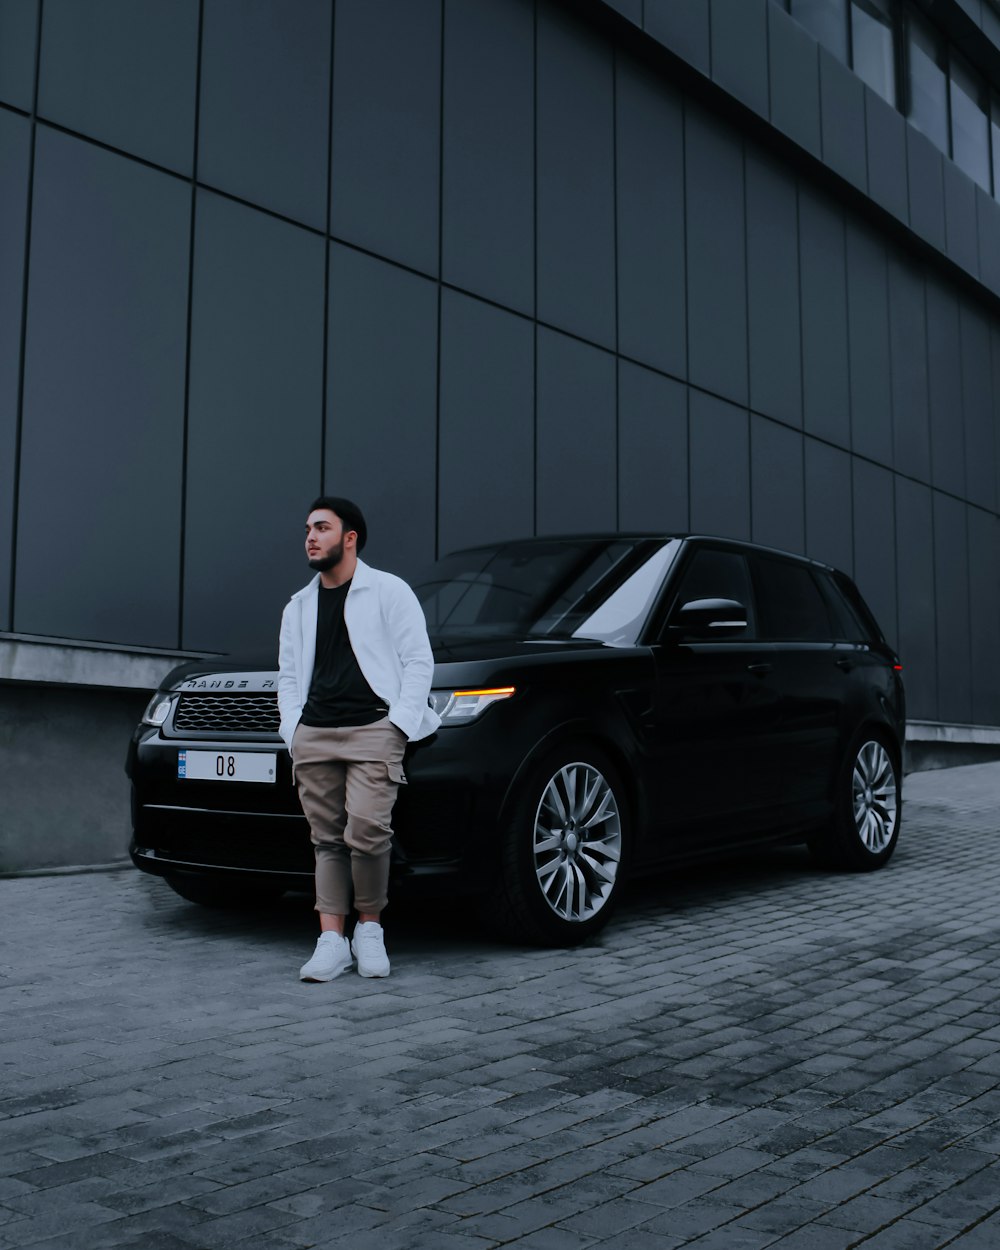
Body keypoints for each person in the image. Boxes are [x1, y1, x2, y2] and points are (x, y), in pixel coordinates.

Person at [277, 497, 439, 981]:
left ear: (350, 538)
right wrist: (294, 730)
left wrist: (399, 724)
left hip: (374, 728)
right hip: (316, 733)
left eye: (322, 527)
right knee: (325, 840)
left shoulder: (388, 591)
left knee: (368, 834)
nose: (310, 536)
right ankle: (331, 940)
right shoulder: (299, 606)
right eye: (307, 528)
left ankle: (369, 930)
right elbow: (288, 676)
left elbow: (418, 661)